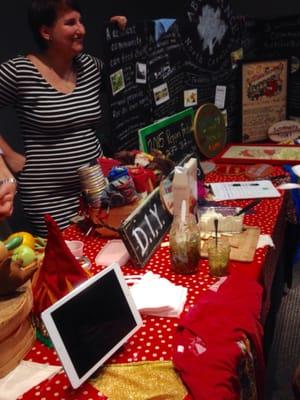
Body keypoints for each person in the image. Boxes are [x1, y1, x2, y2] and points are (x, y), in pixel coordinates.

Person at [0, 0, 126, 237]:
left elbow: (127, 81)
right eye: (70, 23)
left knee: (102, 254)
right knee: (68, 262)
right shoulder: (20, 71)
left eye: (81, 21)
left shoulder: (90, 67)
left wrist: (119, 41)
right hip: (49, 197)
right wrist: (9, 156)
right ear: (46, 31)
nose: (81, 29)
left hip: (96, 190)